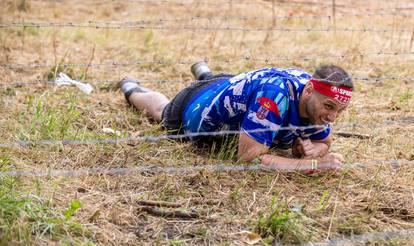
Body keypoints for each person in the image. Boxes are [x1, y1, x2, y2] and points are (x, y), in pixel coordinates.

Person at [119, 62, 353, 172]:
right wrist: (313, 164)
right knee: (163, 111)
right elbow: (249, 158)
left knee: (226, 89)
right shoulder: (274, 97)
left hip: (234, 87)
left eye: (339, 111)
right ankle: (131, 88)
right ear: (309, 92)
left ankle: (205, 72)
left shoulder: (315, 101)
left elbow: (325, 141)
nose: (332, 117)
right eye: (329, 107)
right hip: (197, 105)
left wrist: (314, 149)